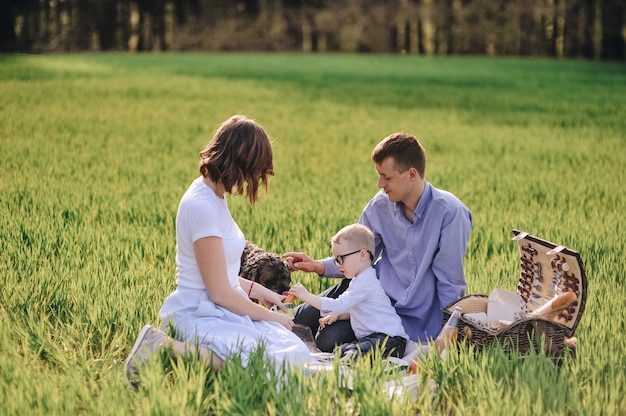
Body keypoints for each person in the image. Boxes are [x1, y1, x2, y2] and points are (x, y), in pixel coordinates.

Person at [125, 115, 310, 385]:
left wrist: (263, 293)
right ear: (240, 162)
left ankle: (183, 354)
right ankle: (162, 347)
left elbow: (221, 274)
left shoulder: (215, 196)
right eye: (253, 171)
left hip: (220, 308)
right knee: (271, 363)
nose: (253, 181)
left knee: (293, 353)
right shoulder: (202, 206)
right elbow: (219, 291)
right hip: (199, 313)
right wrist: (269, 315)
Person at [285, 132, 472, 353]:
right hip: (372, 295)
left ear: (411, 174)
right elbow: (356, 253)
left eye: (387, 177)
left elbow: (450, 283)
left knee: (327, 339)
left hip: (412, 317)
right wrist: (317, 265)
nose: (379, 184)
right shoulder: (380, 206)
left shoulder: (450, 213)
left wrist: (447, 332)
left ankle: (358, 349)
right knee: (302, 318)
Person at [288, 224, 408, 362]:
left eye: (341, 259)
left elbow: (338, 304)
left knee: (355, 354)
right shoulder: (359, 279)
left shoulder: (366, 281)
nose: (338, 265)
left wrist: (306, 296)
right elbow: (364, 310)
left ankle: (390, 364)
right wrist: (339, 316)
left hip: (390, 340)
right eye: (336, 260)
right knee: (342, 351)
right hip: (372, 338)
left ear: (362, 254)